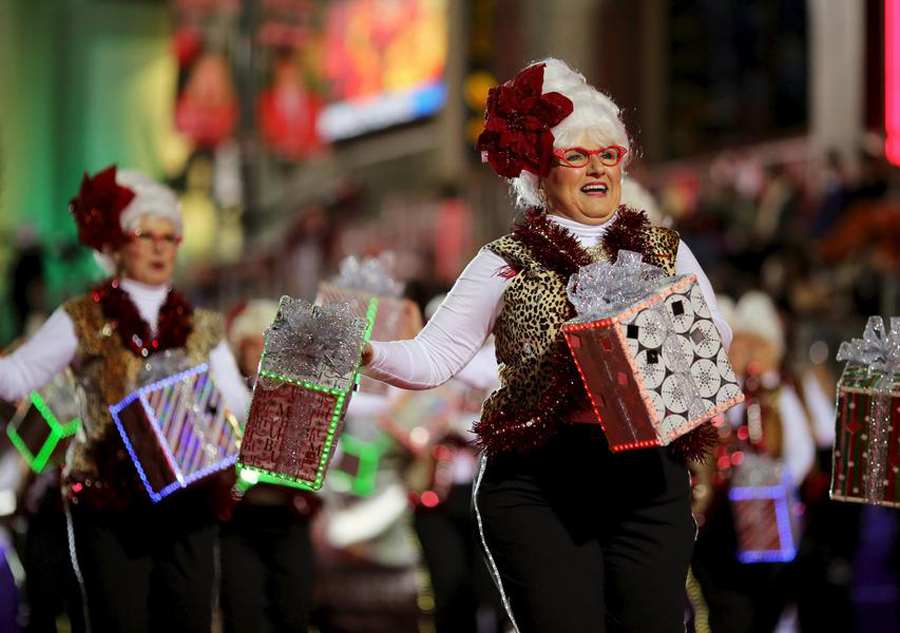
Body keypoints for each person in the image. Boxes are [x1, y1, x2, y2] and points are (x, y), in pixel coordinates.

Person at [360, 59, 732, 632]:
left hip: (646, 479)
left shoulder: (664, 249)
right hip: (539, 480)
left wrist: (653, 331)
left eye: (609, 153)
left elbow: (717, 338)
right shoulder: (504, 260)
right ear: (539, 171)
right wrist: (369, 354)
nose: (597, 167)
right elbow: (434, 357)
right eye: (576, 155)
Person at [0, 165, 249, 633]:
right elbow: (16, 378)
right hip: (108, 506)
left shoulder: (203, 326)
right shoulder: (82, 317)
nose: (159, 247)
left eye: (169, 237)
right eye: (144, 235)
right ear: (115, 245)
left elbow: (236, 405)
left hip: (188, 504)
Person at [219, 299, 318, 633]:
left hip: (289, 518)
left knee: (293, 613)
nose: (267, 354)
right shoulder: (227, 394)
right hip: (238, 520)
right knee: (242, 614)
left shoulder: (302, 394)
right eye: (259, 344)